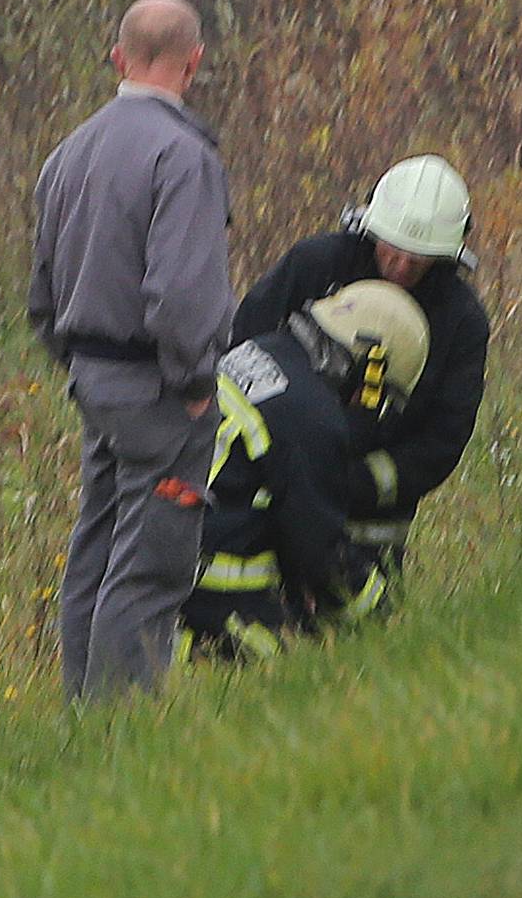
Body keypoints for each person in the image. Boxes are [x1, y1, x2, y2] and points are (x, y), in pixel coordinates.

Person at [28, 0, 232, 699]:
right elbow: (181, 295)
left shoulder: (67, 153)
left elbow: (42, 293)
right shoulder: (184, 156)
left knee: (95, 550)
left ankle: (80, 719)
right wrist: (196, 380)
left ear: (119, 58)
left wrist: (78, 365)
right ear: (194, 62)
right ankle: (121, 735)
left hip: (95, 383)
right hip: (161, 389)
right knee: (149, 566)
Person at [231, 154, 488, 584]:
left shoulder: (460, 321)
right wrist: (290, 470)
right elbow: (242, 358)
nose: (401, 268)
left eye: (419, 259)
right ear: (370, 229)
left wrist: (353, 482)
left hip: (373, 524)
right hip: (272, 496)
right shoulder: (314, 266)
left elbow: (443, 439)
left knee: (363, 629)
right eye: (393, 250)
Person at [181, 279, 431, 661]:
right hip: (221, 596)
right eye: (378, 394)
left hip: (172, 560)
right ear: (370, 366)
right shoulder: (310, 418)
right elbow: (318, 551)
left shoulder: (261, 350)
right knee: (287, 685)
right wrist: (384, 613)